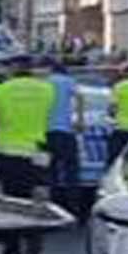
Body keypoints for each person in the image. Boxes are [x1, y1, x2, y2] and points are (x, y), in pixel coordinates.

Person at [0, 55, 55, 204]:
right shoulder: (47, 89)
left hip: (7, 149)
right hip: (37, 149)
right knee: (36, 190)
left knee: (11, 193)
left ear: (12, 69)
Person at [44, 59, 86, 202]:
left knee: (51, 168)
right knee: (71, 168)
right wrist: (80, 119)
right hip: (65, 130)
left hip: (47, 131)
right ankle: (72, 200)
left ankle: (54, 199)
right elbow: (80, 96)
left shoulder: (46, 82)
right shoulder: (69, 81)